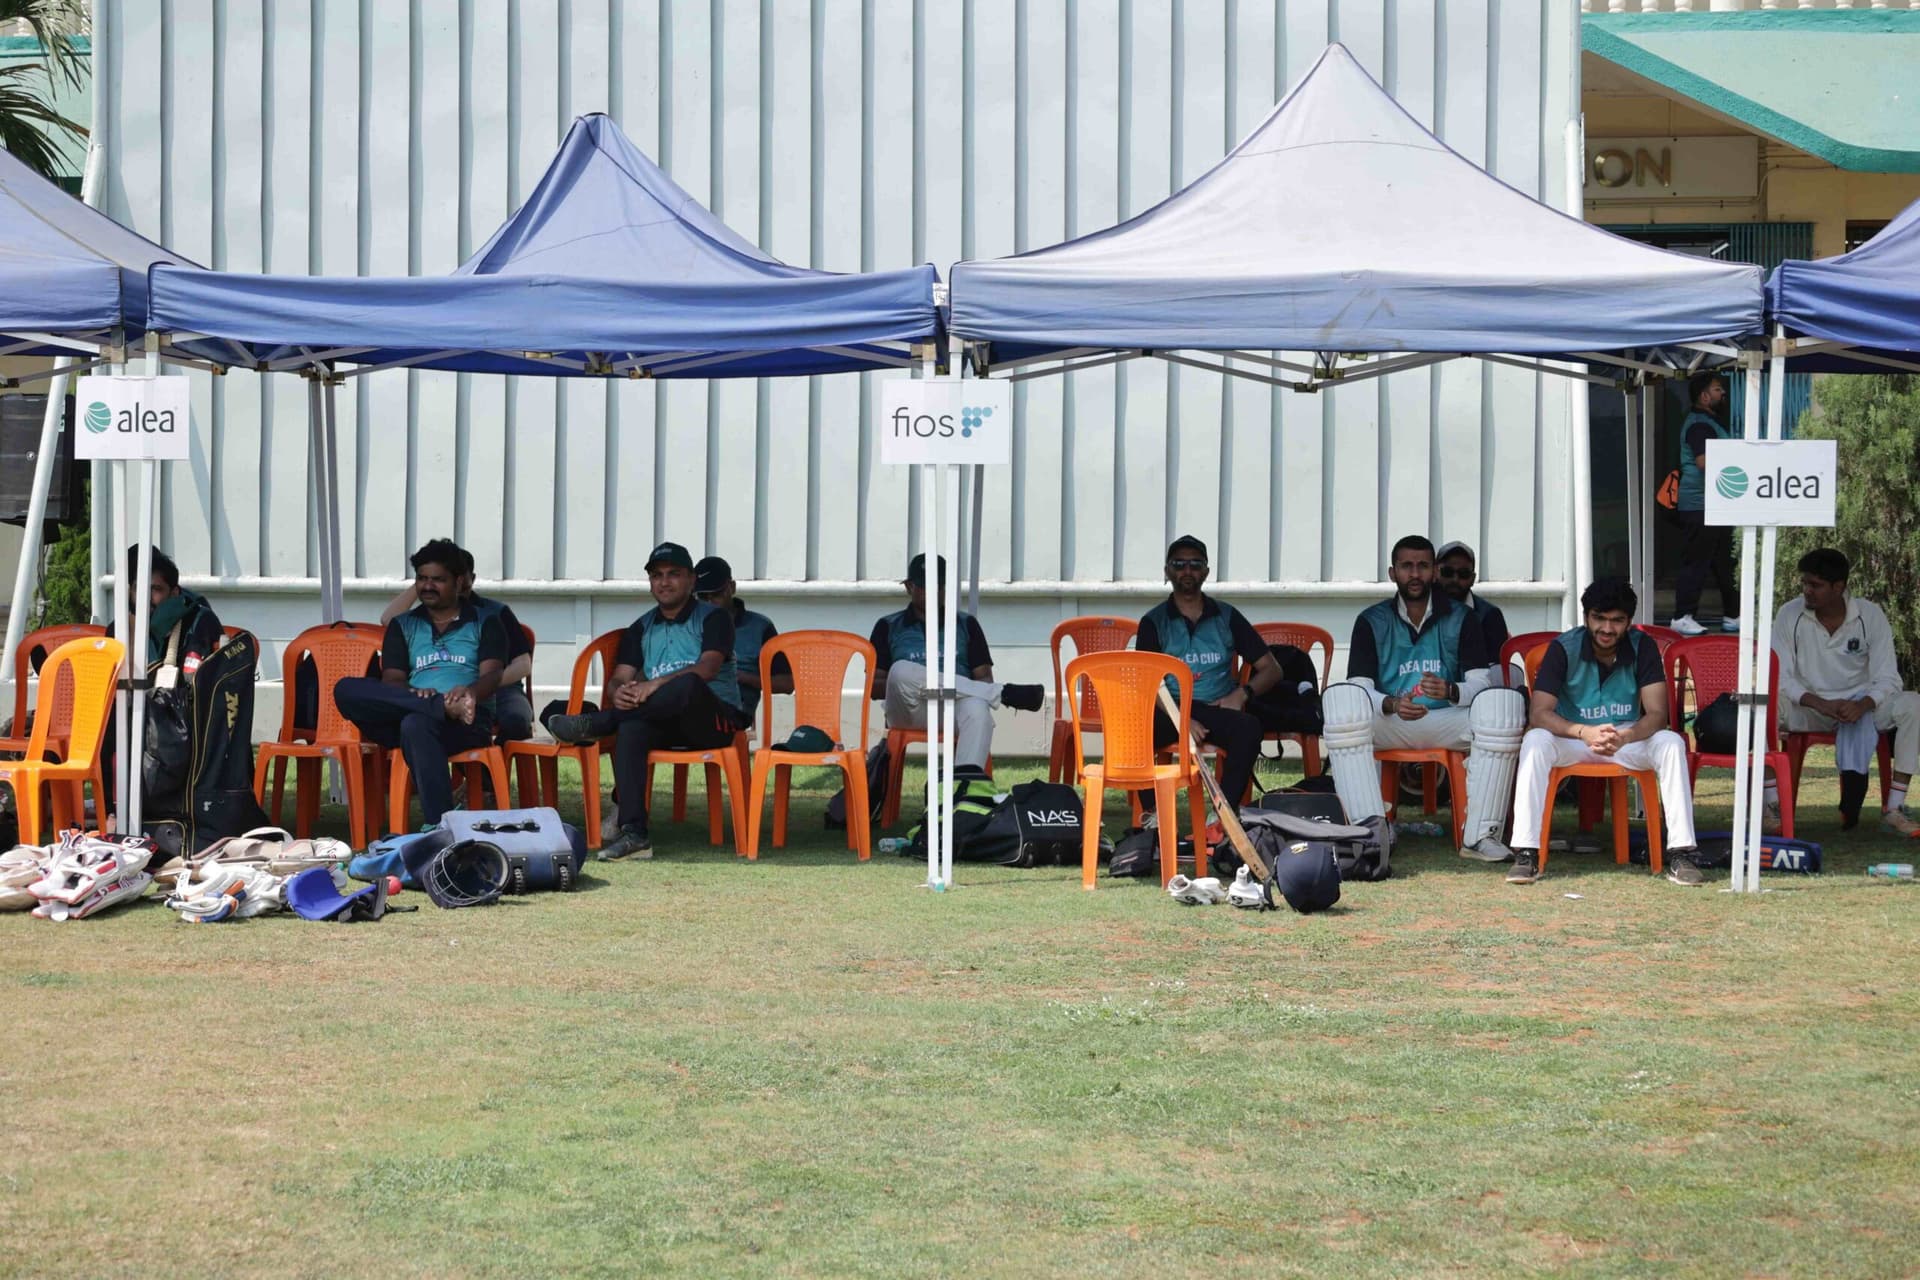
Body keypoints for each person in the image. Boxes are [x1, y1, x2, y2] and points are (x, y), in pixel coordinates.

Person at [1321, 535, 1526, 862]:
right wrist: (1390, 703)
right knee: (1342, 705)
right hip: (1391, 720)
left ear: (1434, 572)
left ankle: (1480, 836)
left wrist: (1451, 690)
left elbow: (1480, 684)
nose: (1415, 574)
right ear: (1393, 572)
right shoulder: (1371, 620)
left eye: (1422, 566)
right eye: (1406, 566)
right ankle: (1368, 833)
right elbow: (1359, 688)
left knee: (1503, 706)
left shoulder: (1463, 617)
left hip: (1447, 719)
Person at [546, 542, 752, 860]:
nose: (664, 582)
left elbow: (708, 669)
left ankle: (600, 723)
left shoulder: (714, 618)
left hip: (714, 721)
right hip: (661, 720)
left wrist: (653, 684)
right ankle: (635, 835)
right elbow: (619, 677)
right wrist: (619, 692)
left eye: (673, 574)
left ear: (691, 580)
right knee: (633, 728)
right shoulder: (641, 627)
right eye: (657, 575)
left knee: (689, 684)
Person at [1505, 578, 1702, 885]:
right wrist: (1583, 731)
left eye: (1617, 620)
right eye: (1599, 618)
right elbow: (1539, 713)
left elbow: (1657, 714)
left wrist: (1626, 736)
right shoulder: (1563, 647)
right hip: (1572, 737)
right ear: (1586, 617)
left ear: (1629, 621)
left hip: (1625, 738)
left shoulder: (1642, 646)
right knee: (1535, 740)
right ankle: (1526, 852)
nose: (1607, 629)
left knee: (1670, 742)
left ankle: (1681, 853)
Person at [336, 538, 504, 828]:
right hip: (409, 712)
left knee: (415, 724)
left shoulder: (485, 621)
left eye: (437, 579)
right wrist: (417, 695)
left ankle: (439, 825)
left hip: (466, 722)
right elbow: (393, 680)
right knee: (345, 689)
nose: (427, 586)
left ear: (459, 581)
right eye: (422, 579)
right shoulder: (403, 625)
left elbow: (492, 675)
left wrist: (469, 693)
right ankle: (436, 706)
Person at [1769, 548, 1920, 836]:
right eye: (1805, 583)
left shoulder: (1869, 615)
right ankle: (1771, 805)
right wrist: (1819, 703)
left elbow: (1889, 678)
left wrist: (1864, 704)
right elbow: (1780, 677)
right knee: (1760, 706)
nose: (1807, 591)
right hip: (1809, 708)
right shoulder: (1789, 614)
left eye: (1815, 585)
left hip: (1862, 710)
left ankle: (1895, 807)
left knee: (1913, 703)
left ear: (1839, 587)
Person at [1135, 535, 1279, 810]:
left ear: (1206, 571)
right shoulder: (1154, 621)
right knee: (1134, 729)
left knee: (1249, 728)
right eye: (1179, 564)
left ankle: (1222, 815)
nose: (1187, 571)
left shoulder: (1226, 616)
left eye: (1195, 564)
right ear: (1167, 571)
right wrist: (1181, 719)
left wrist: (1242, 694)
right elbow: (1147, 682)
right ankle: (1153, 818)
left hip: (1215, 708)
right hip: (1171, 709)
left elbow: (1272, 669)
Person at [868, 554, 1043, 773]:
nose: (931, 592)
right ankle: (1002, 694)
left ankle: (966, 786)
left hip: (951, 704)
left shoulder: (966, 624)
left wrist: (943, 690)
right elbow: (874, 687)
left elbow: (984, 679)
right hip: (909, 708)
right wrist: (921, 685)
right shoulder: (888, 626)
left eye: (938, 586)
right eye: (923, 586)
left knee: (978, 710)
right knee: (900, 670)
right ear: (909, 587)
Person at [381, 547, 534, 742]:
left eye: (440, 579)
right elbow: (388, 619)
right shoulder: (419, 616)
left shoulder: (495, 613)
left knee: (516, 720)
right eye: (423, 578)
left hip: (501, 688)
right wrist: (429, 578)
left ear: (468, 579)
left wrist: (480, 685)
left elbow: (523, 665)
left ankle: (493, 759)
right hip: (440, 693)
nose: (460, 591)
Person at [1669, 372, 1739, 637]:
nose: (1723, 393)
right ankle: (1681, 616)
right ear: (1704, 396)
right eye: (1717, 389)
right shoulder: (1700, 425)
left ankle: (1733, 615)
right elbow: (1703, 462)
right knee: (1696, 562)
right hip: (1700, 505)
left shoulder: (1709, 422)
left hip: (1715, 505)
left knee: (1724, 563)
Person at [694, 555, 792, 709]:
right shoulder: (686, 625)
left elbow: (787, 683)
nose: (710, 602)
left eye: (716, 594)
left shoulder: (760, 627)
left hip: (735, 709)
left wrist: (741, 677)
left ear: (732, 587)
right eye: (703, 597)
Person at [1435, 541, 1510, 664]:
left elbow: (1496, 668)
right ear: (1435, 573)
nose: (1455, 579)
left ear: (1472, 579)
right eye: (1447, 572)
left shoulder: (1490, 616)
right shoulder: (1418, 610)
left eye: (1463, 574)